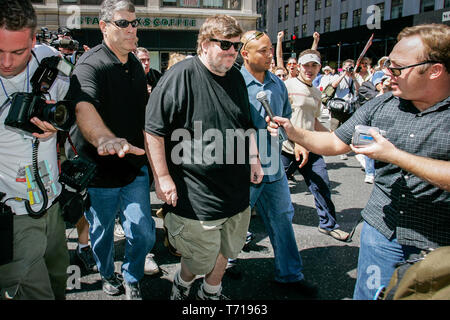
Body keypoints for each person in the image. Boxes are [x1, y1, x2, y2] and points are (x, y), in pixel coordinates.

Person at [266, 23, 450, 300]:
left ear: (434, 70)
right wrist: (293, 132)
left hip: (439, 242)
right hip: (382, 233)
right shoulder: (382, 104)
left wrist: (394, 156)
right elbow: (334, 143)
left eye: (397, 68)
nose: (387, 74)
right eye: (388, 65)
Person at [144, 14, 263, 300]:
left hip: (235, 191)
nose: (233, 52)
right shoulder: (181, 75)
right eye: (225, 45)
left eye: (236, 46)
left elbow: (244, 123)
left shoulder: (235, 75)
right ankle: (182, 282)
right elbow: (153, 130)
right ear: (204, 44)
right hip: (196, 193)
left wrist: (255, 158)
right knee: (201, 258)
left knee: (228, 249)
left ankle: (211, 292)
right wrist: (162, 177)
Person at [66, 0, 155, 300]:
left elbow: (143, 118)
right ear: (104, 27)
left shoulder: (135, 66)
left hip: (134, 168)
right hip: (99, 172)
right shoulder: (90, 63)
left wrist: (156, 164)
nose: (132, 29)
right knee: (101, 235)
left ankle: (131, 276)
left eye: (134, 23)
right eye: (123, 23)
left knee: (144, 231)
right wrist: (104, 138)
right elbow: (82, 105)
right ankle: (107, 274)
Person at [0, 0, 69, 300]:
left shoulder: (50, 60)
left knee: (58, 285)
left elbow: (76, 104)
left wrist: (62, 121)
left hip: (52, 208)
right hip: (12, 217)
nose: (6, 62)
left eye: (17, 52)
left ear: (33, 40)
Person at [240, 30, 317, 296]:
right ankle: (220, 268)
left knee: (282, 217)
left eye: (270, 49)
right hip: (241, 168)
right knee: (234, 222)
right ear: (245, 54)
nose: (270, 54)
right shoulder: (232, 83)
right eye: (263, 50)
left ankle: (290, 275)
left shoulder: (277, 84)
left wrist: (293, 138)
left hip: (273, 167)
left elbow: (285, 119)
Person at [282, 49, 349, 241]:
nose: (310, 69)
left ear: (319, 67)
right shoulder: (287, 86)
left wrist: (332, 137)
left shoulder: (316, 92)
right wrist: (295, 142)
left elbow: (314, 120)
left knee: (321, 184)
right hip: (287, 148)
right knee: (264, 187)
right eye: (306, 65)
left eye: (314, 65)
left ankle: (329, 225)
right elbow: (280, 118)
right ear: (298, 66)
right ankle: (244, 226)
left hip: (310, 147)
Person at [329, 59, 360, 159]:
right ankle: (333, 146)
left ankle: (343, 149)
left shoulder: (354, 78)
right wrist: (343, 74)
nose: (349, 68)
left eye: (351, 66)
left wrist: (353, 77)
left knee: (347, 128)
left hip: (349, 106)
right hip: (337, 106)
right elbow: (333, 85)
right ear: (343, 67)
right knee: (335, 127)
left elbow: (359, 89)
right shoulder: (337, 76)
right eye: (348, 66)